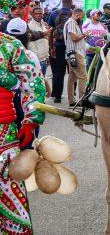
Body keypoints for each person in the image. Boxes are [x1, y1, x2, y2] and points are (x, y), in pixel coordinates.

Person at [0, 27, 46, 235]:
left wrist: (31, 120)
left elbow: (33, 82)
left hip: (5, 133)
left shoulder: (9, 45)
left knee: (9, 187)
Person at [48, 0, 73, 104]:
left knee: (59, 71)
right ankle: (73, 95)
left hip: (58, 44)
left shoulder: (54, 13)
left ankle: (57, 96)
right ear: (70, 2)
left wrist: (51, 47)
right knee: (73, 70)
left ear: (62, 2)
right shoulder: (74, 13)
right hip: (72, 45)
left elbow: (50, 32)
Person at [63, 8, 88, 106]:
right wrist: (84, 35)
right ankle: (83, 100)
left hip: (72, 54)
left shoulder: (71, 23)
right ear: (77, 15)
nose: (81, 19)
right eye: (81, 17)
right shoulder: (72, 23)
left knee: (71, 78)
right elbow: (74, 38)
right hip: (76, 54)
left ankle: (72, 101)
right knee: (83, 77)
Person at [27, 6, 51, 98]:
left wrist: (47, 56)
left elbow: (46, 41)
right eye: (36, 14)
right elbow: (31, 44)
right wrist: (36, 59)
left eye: (40, 13)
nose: (38, 15)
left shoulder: (43, 24)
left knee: (42, 82)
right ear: (32, 14)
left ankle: (41, 101)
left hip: (43, 58)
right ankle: (37, 103)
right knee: (38, 83)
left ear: (43, 14)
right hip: (37, 60)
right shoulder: (30, 26)